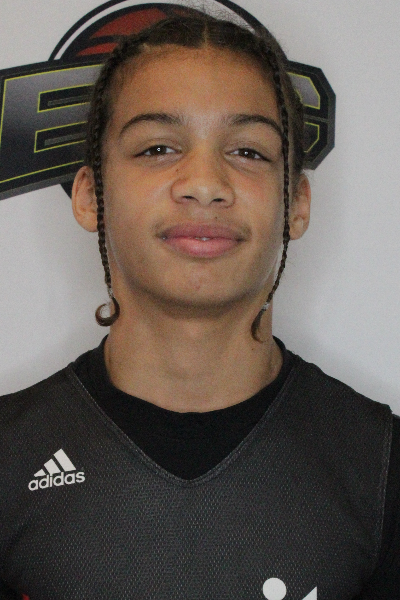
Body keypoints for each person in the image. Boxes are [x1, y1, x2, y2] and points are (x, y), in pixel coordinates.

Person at [0, 14, 399, 600]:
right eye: (158, 148)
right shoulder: (10, 458)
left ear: (296, 203)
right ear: (90, 195)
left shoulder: (378, 466)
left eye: (248, 151)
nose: (205, 183)